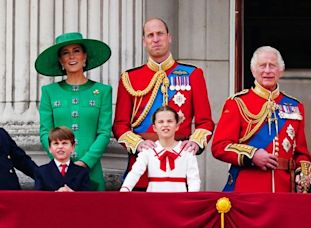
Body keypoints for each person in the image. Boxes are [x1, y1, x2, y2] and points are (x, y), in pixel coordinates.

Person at [113, 18, 214, 190]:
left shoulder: (193, 75)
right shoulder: (129, 78)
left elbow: (205, 122)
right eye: (150, 35)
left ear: (169, 37)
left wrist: (195, 143)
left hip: (180, 164)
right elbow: (120, 125)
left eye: (160, 34)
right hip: (142, 165)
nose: (156, 39)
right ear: (144, 42)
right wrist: (138, 144)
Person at [212, 46, 311, 192]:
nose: (267, 70)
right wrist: (252, 155)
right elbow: (220, 146)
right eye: (262, 65)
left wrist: (303, 173)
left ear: (281, 71)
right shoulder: (237, 103)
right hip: (248, 187)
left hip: (283, 189)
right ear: (253, 71)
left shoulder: (295, 106)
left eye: (272, 65)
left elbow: (301, 153)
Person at [35, 32, 112, 191]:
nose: (71, 56)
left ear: (85, 57)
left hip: (91, 171)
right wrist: (61, 160)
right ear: (60, 61)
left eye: (76, 51)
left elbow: (104, 132)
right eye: (65, 53)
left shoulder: (102, 91)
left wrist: (85, 162)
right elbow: (45, 131)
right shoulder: (49, 92)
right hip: (58, 172)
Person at [120, 106, 200, 192]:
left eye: (169, 121)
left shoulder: (187, 151)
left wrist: (192, 199)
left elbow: (194, 179)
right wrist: (125, 189)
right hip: (153, 200)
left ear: (177, 126)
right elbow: (135, 172)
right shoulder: (148, 150)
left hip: (179, 200)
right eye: (161, 122)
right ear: (154, 127)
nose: (165, 125)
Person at [35, 126, 90, 191]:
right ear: (49, 148)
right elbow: (39, 198)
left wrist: (73, 194)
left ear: (73, 147)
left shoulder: (82, 172)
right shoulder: (41, 172)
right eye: (56, 143)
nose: (60, 146)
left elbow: (86, 198)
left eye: (64, 143)